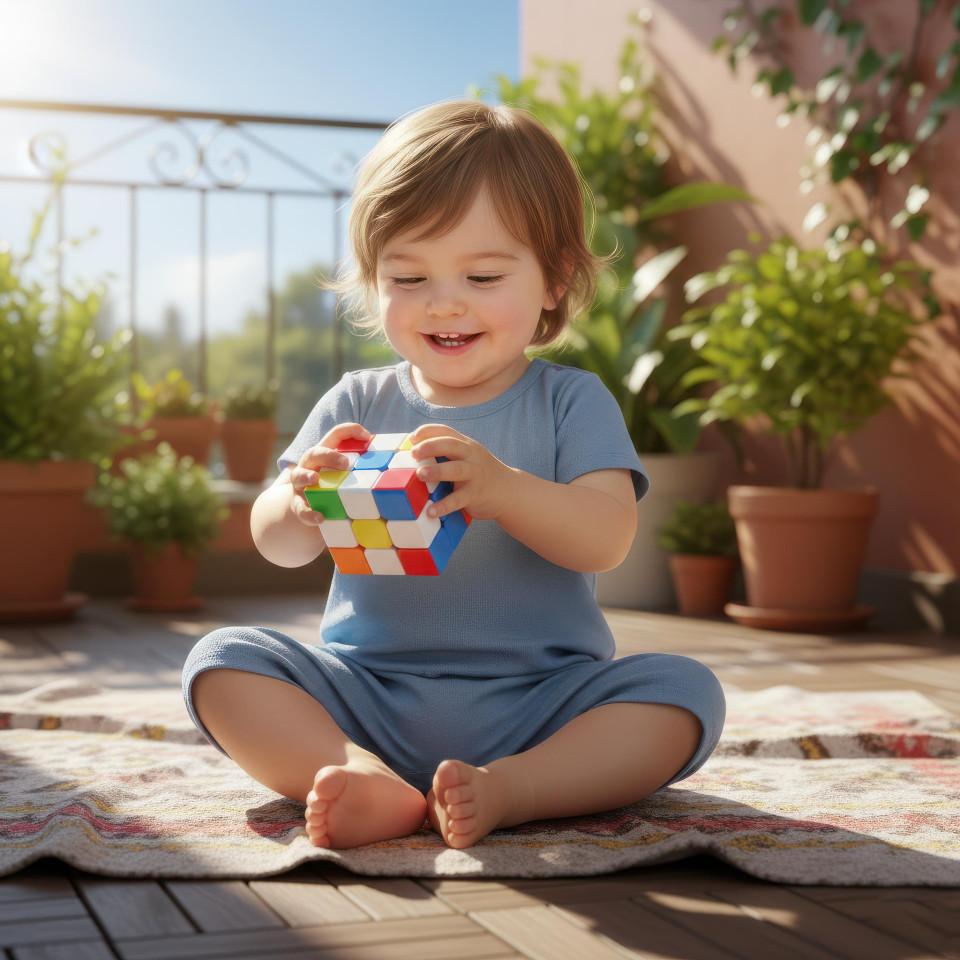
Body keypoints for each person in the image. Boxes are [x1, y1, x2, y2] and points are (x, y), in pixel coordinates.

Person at [182, 99, 726, 851]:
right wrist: (300, 502)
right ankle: (358, 775)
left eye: (483, 274)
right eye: (408, 276)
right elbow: (276, 544)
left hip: (541, 708)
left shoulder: (571, 401)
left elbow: (606, 539)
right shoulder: (355, 402)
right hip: (365, 697)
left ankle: (514, 789)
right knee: (222, 661)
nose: (444, 302)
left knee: (684, 691)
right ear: (373, 281)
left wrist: (504, 490)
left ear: (554, 280)